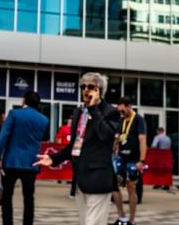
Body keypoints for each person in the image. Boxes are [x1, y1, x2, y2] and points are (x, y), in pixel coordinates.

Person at [35, 72, 120, 225]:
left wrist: (94, 109)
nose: (85, 90)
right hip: (80, 180)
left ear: (99, 90)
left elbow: (106, 136)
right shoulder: (79, 112)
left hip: (99, 179)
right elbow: (75, 145)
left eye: (90, 87)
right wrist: (54, 158)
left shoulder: (111, 112)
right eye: (83, 86)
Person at [0, 91, 49, 225]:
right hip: (31, 163)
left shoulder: (14, 114)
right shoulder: (44, 120)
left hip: (12, 161)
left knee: (7, 197)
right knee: (29, 198)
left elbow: (3, 136)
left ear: (24, 101)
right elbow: (43, 139)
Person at [111, 97, 146, 225]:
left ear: (128, 106)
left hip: (134, 158)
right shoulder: (120, 120)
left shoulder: (138, 120)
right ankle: (122, 217)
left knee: (131, 187)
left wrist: (142, 161)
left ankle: (132, 220)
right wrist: (115, 147)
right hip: (120, 157)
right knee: (113, 185)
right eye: (119, 111)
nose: (121, 114)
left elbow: (142, 141)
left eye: (123, 111)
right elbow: (117, 138)